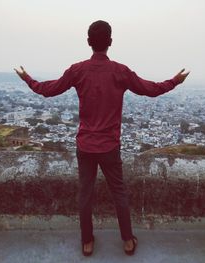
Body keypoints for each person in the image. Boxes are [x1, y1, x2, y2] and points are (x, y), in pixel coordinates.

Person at [14, 20, 189, 257]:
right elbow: (151, 89)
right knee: (119, 193)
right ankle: (127, 240)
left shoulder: (78, 70)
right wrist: (174, 82)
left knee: (85, 194)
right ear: (110, 42)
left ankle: (87, 241)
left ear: (89, 42)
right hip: (109, 146)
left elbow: (49, 89)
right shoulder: (120, 71)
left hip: (85, 145)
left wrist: (27, 78)